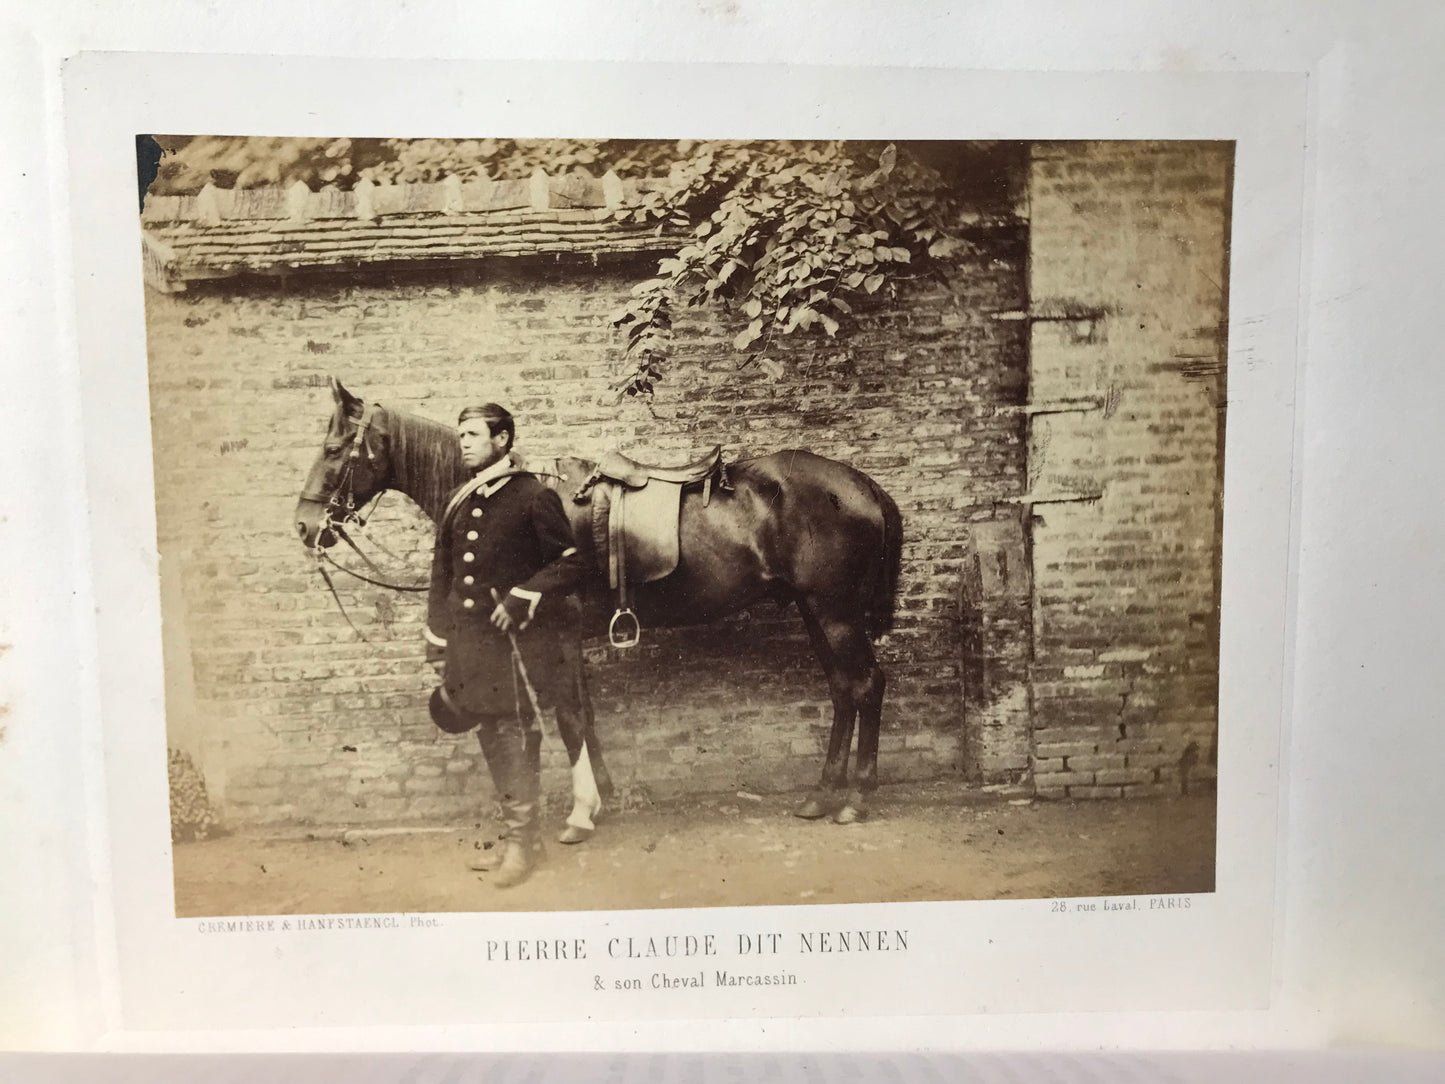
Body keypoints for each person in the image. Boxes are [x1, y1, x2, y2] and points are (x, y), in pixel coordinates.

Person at [424, 403, 588, 889]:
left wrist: (524, 594)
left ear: (503, 440)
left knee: (514, 735)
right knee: (489, 735)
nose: (464, 443)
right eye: (460, 436)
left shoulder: (533, 496)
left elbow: (573, 562)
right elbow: (443, 574)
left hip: (515, 645)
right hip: (469, 643)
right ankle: (521, 837)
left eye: (474, 434)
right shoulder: (459, 500)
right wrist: (437, 637)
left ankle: (522, 846)